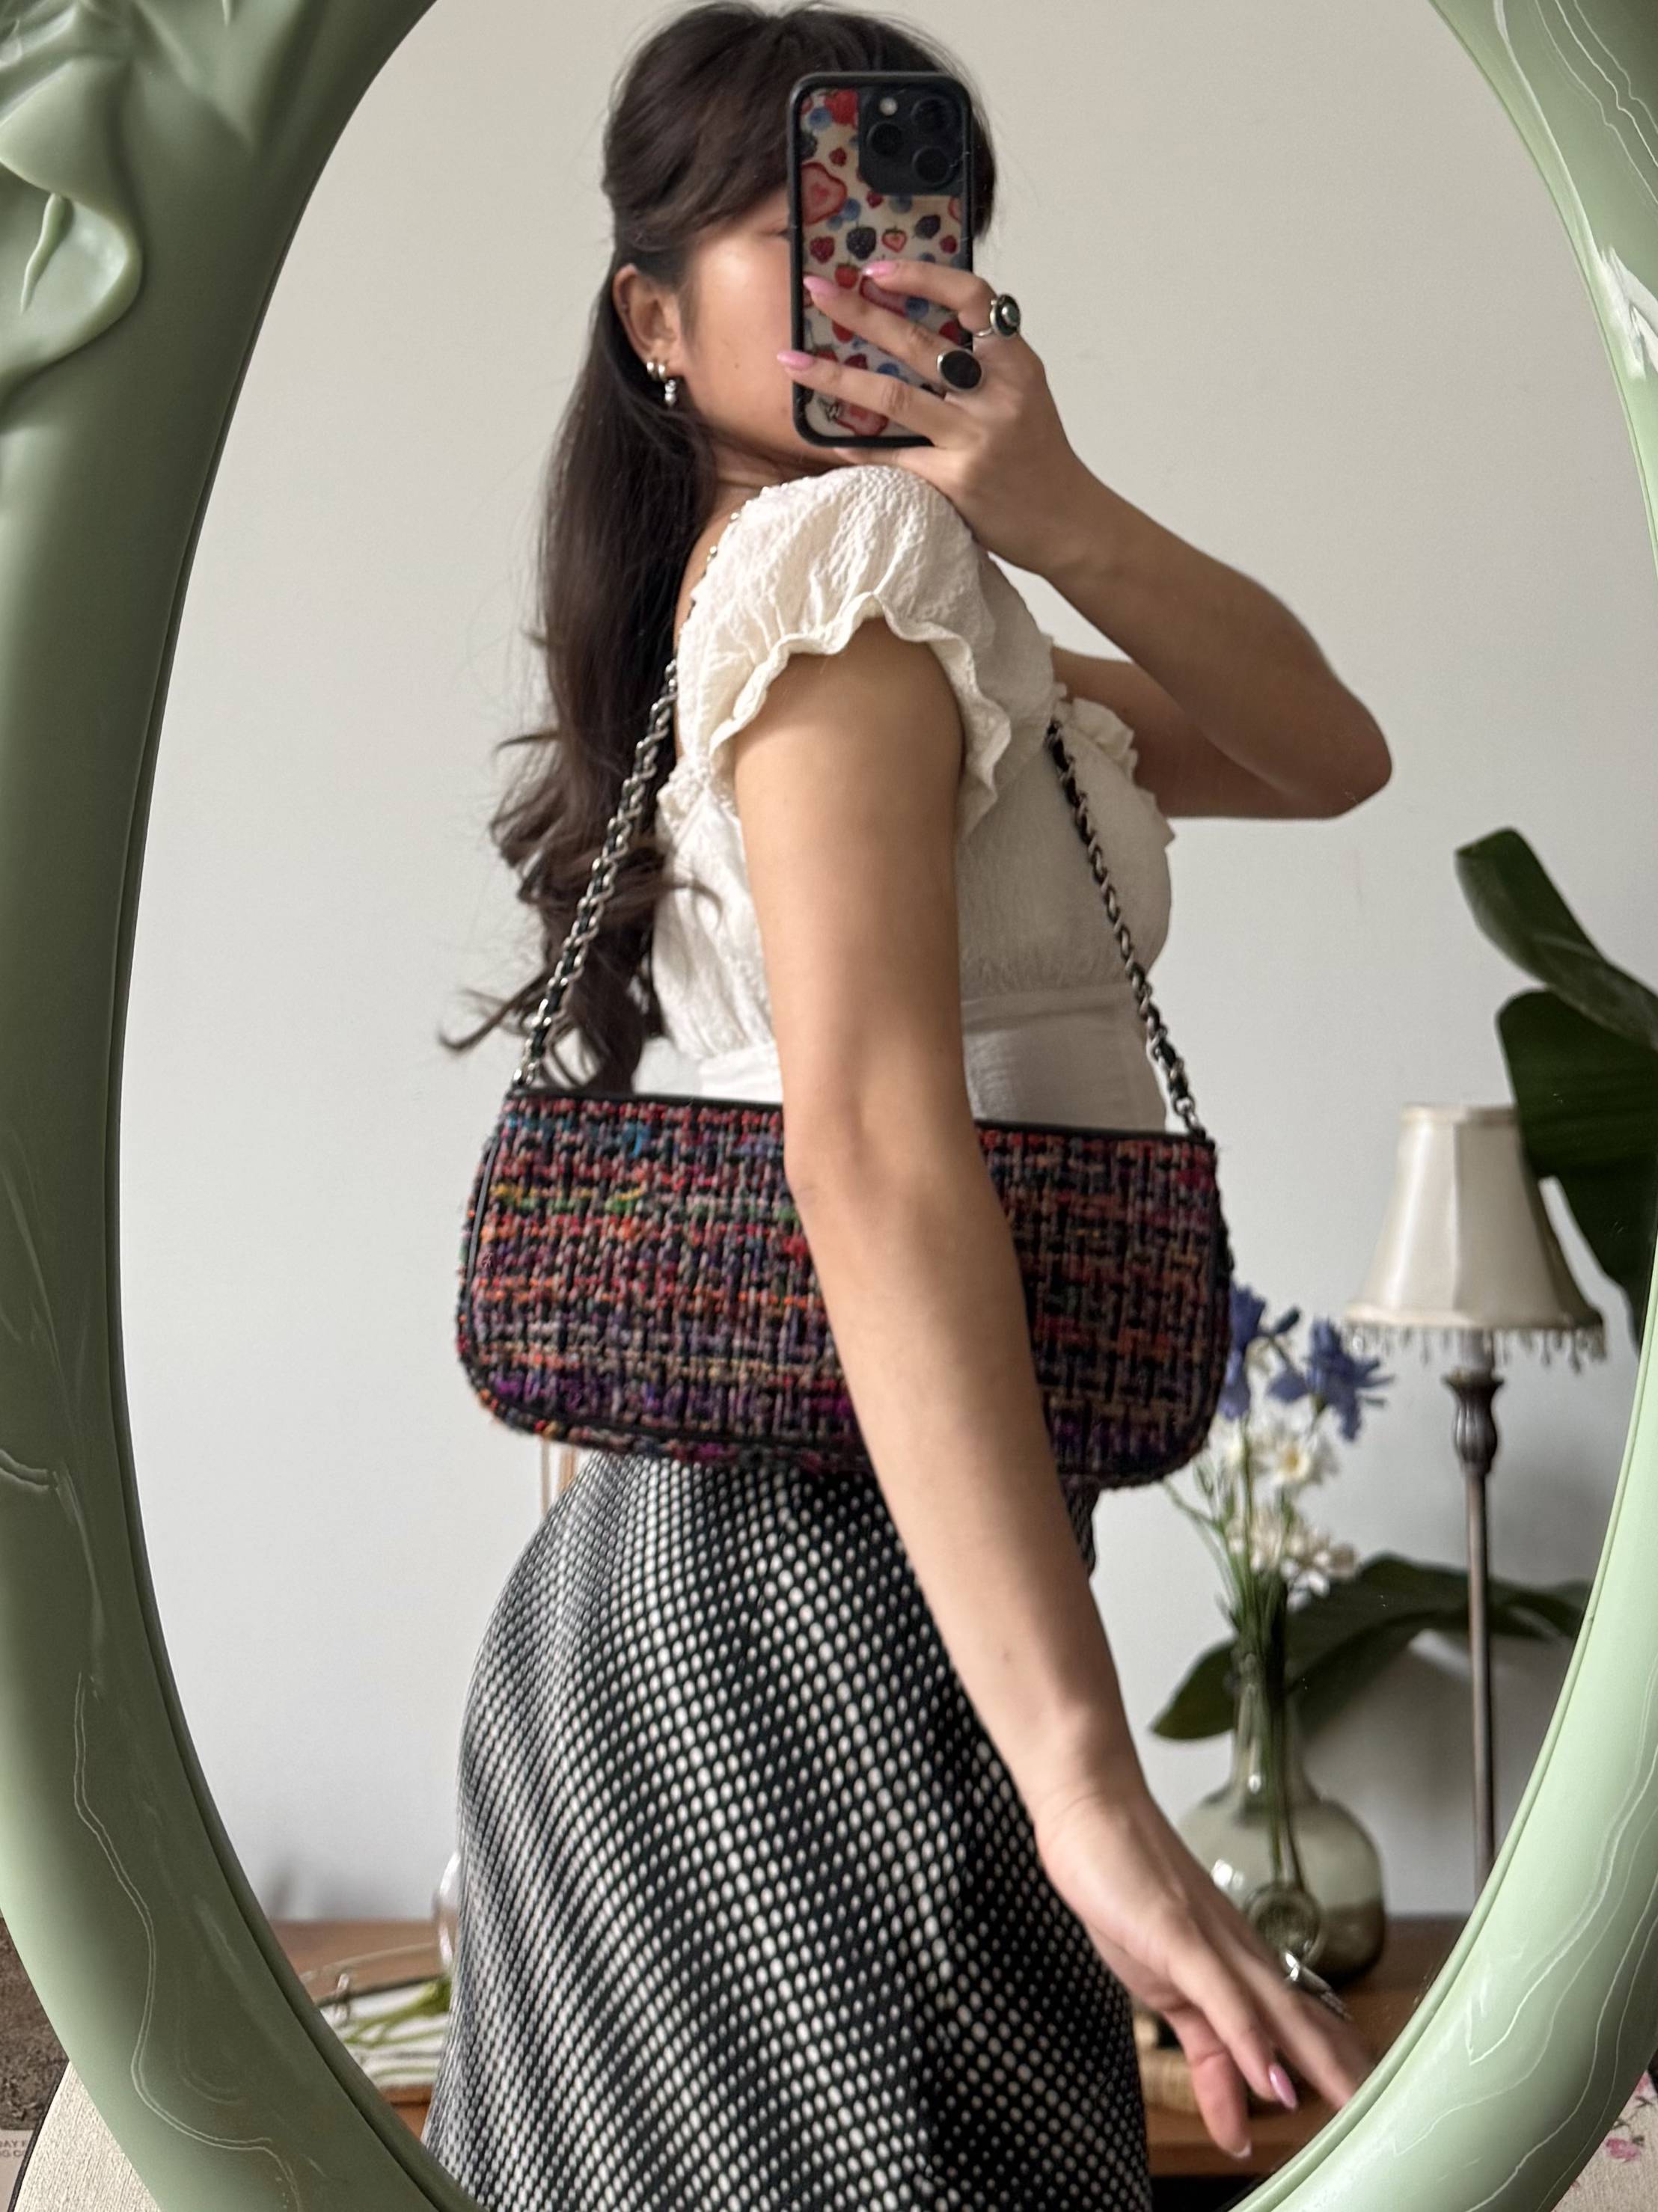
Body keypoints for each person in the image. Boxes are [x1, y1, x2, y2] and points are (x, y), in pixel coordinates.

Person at [425, 6, 1389, 2208]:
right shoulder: (841, 568)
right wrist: (1091, 1791)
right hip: (805, 1621)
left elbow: (1323, 751)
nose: (880, 278)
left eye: (912, 230)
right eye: (805, 236)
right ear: (654, 320)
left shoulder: (886, 584)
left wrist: (1055, 510)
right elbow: (862, 1145)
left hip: (769, 1602)